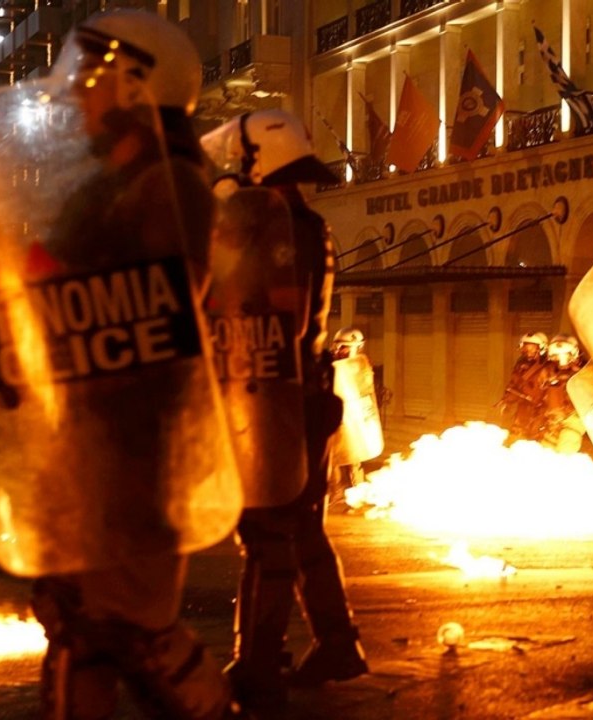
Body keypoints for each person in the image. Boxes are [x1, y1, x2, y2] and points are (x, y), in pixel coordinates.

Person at [19, 11, 244, 718]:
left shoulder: (171, 185)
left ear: (136, 87)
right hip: (91, 439)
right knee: (79, 623)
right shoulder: (108, 191)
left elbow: (154, 314)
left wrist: (47, 284)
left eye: (91, 83)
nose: (78, 99)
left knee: (129, 630)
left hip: (139, 445)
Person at [212, 109, 368, 711]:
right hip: (296, 393)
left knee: (268, 532)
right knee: (301, 529)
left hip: (282, 396)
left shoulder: (279, 227)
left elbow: (274, 320)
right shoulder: (296, 221)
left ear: (259, 161)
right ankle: (336, 643)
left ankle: (258, 664)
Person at [328, 327, 367, 508]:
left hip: (352, 419)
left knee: (353, 457)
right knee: (333, 458)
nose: (340, 350)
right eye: (339, 346)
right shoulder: (330, 363)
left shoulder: (360, 367)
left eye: (345, 347)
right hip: (334, 417)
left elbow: (364, 391)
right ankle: (337, 494)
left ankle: (357, 495)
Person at [498, 332, 553, 444]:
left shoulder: (550, 366)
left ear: (542, 348)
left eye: (532, 348)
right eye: (525, 348)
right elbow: (514, 383)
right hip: (524, 406)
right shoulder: (521, 364)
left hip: (542, 410)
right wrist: (507, 400)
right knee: (516, 435)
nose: (528, 352)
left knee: (537, 439)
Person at [537, 334, 586, 455]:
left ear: (574, 354)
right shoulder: (547, 371)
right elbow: (541, 391)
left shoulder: (584, 371)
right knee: (545, 453)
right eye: (557, 356)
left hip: (574, 419)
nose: (561, 359)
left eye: (565, 355)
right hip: (553, 419)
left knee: (565, 450)